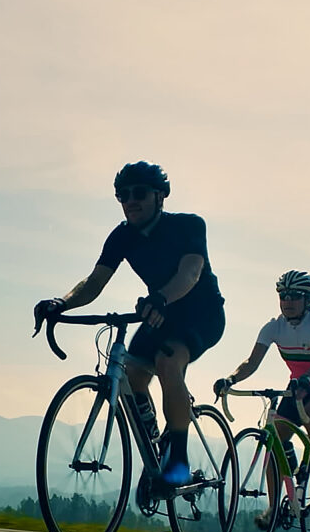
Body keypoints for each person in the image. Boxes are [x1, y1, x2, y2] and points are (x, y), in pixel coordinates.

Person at [32, 161, 226, 501]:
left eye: (138, 194)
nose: (129, 201)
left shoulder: (189, 226)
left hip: (201, 313)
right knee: (132, 375)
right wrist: (60, 303)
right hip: (157, 314)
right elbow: (94, 282)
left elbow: (191, 273)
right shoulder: (122, 236)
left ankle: (177, 460)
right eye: (122, 196)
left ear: (160, 196)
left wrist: (162, 297)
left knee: (168, 363)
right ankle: (156, 448)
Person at [213, 270, 310, 528]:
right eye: (283, 295)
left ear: (307, 299)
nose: (287, 301)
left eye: (295, 296)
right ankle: (274, 509)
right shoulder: (274, 327)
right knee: (274, 442)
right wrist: (231, 380)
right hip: (298, 387)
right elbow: (251, 362)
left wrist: (307, 380)